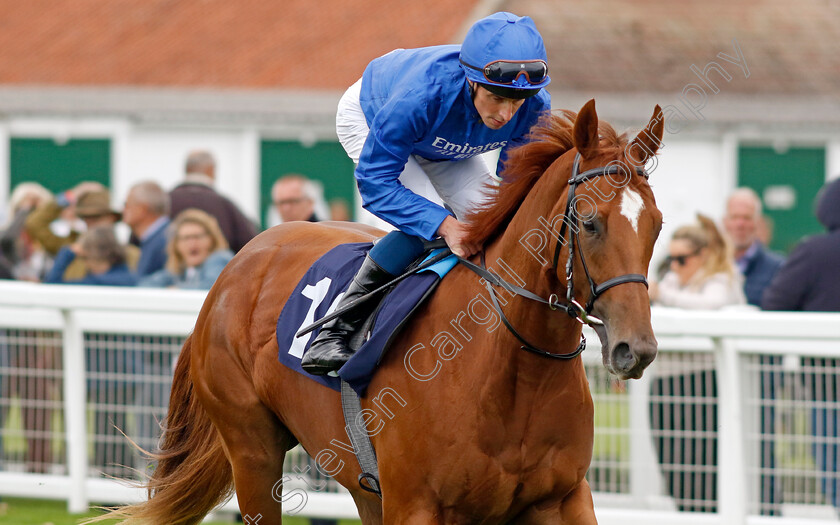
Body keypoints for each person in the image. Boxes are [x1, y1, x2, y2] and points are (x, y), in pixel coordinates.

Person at [301, 11, 552, 375]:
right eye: (497, 97)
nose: (506, 113)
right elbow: (377, 183)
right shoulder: (422, 95)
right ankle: (333, 330)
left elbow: (516, 185)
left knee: (496, 224)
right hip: (371, 115)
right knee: (428, 223)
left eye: (518, 101)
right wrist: (445, 226)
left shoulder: (535, 107)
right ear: (472, 82)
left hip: (446, 143)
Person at [648, 214, 745, 512]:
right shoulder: (675, 279)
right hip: (665, 383)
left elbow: (711, 306)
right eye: (671, 259)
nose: (675, 266)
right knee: (671, 462)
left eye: (682, 259)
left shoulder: (722, 278)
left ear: (702, 255)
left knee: (699, 462)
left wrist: (663, 295)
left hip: (702, 382)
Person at [762, 177, 840, 509]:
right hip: (825, 385)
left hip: (826, 385)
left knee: (833, 469)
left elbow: (774, 302)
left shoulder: (813, 251)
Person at [25, 184, 140, 280]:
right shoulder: (71, 247)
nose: (91, 223)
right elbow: (34, 223)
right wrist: (72, 195)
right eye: (85, 218)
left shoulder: (131, 254)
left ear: (112, 218)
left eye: (97, 217)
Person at [169, 151, 258, 253]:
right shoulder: (224, 204)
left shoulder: (165, 202)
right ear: (211, 170)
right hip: (222, 268)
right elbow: (250, 242)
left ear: (187, 169)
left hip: (171, 267)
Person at [138, 208, 233, 290]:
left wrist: (175, 290)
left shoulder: (219, 258)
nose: (192, 243)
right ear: (176, 245)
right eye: (186, 238)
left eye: (197, 236)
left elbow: (211, 287)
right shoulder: (181, 270)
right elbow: (145, 285)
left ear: (211, 239)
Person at [722, 188, 784, 306]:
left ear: (758, 222)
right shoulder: (708, 264)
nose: (740, 224)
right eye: (734, 217)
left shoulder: (778, 268)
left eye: (747, 218)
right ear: (724, 221)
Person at [44, 226, 138, 286]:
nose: (86, 264)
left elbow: (52, 286)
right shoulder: (131, 277)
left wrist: (67, 253)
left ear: (95, 255)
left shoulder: (97, 282)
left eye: (84, 258)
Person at [0, 182, 53, 281]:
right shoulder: (8, 232)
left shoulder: (51, 233)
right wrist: (24, 209)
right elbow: (7, 240)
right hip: (12, 281)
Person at [122, 180, 171, 277]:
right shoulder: (157, 237)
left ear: (142, 209)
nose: (123, 210)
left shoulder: (164, 240)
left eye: (127, 205)